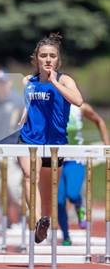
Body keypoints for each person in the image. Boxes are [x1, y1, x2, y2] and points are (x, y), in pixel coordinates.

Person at [17, 33, 83, 244]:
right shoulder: (28, 81)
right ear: (36, 58)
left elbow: (78, 101)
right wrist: (22, 114)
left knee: (50, 195)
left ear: (58, 59)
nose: (47, 59)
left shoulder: (65, 80)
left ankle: (44, 223)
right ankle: (37, 222)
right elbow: (26, 105)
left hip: (55, 143)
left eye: (52, 56)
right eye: (43, 55)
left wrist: (54, 82)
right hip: (29, 139)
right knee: (29, 176)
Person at [58, 103, 109, 245]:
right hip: (57, 159)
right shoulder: (52, 104)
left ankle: (79, 206)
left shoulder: (81, 107)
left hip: (76, 159)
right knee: (59, 201)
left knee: (73, 193)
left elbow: (99, 120)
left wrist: (106, 146)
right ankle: (66, 236)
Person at [0, 69, 24, 226]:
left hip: (13, 150)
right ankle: (4, 217)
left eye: (3, 82)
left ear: (9, 82)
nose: (0, 86)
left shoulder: (19, 101)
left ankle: (23, 212)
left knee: (13, 186)